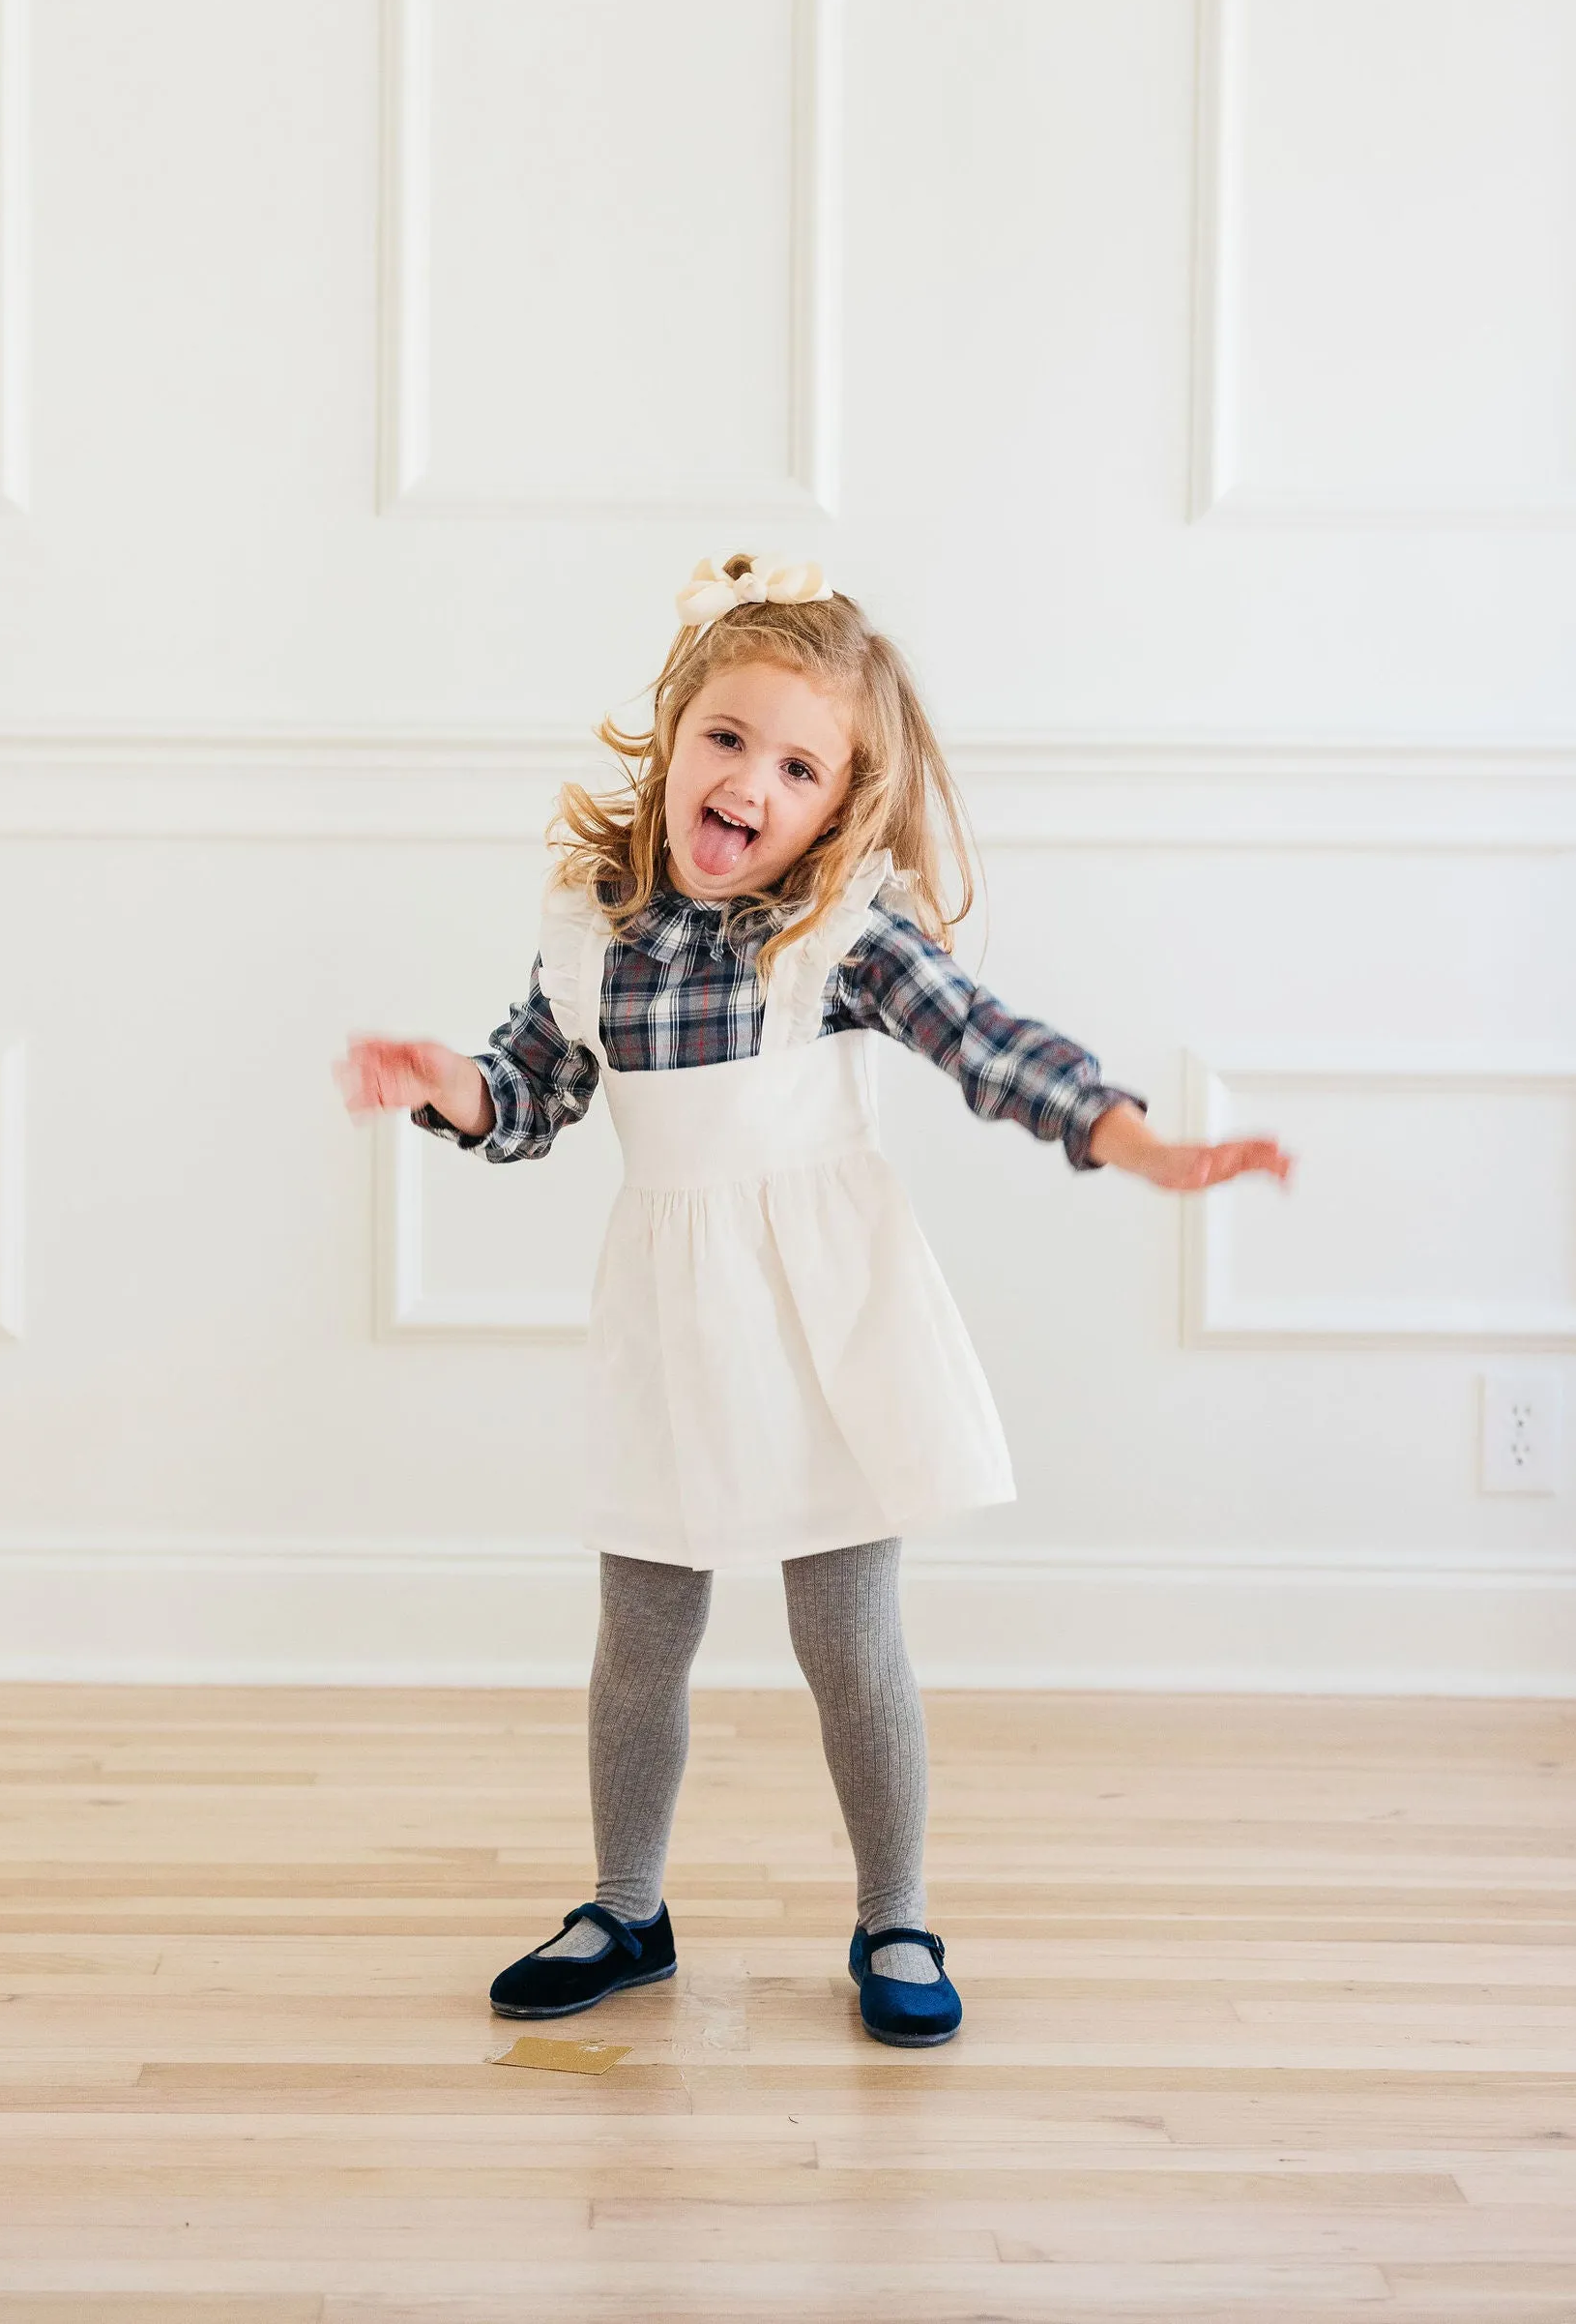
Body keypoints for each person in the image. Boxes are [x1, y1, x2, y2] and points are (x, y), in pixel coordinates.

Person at [336, 553, 1291, 2046]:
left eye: (797, 765)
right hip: (669, 1313)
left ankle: (895, 1909)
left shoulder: (838, 934)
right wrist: (454, 1084)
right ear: (674, 734)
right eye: (727, 737)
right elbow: (533, 1093)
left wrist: (1135, 1137)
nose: (748, 781)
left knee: (849, 1636)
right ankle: (625, 1907)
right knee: (640, 1630)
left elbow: (986, 1044)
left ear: (836, 805)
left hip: (824, 1310)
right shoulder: (597, 928)